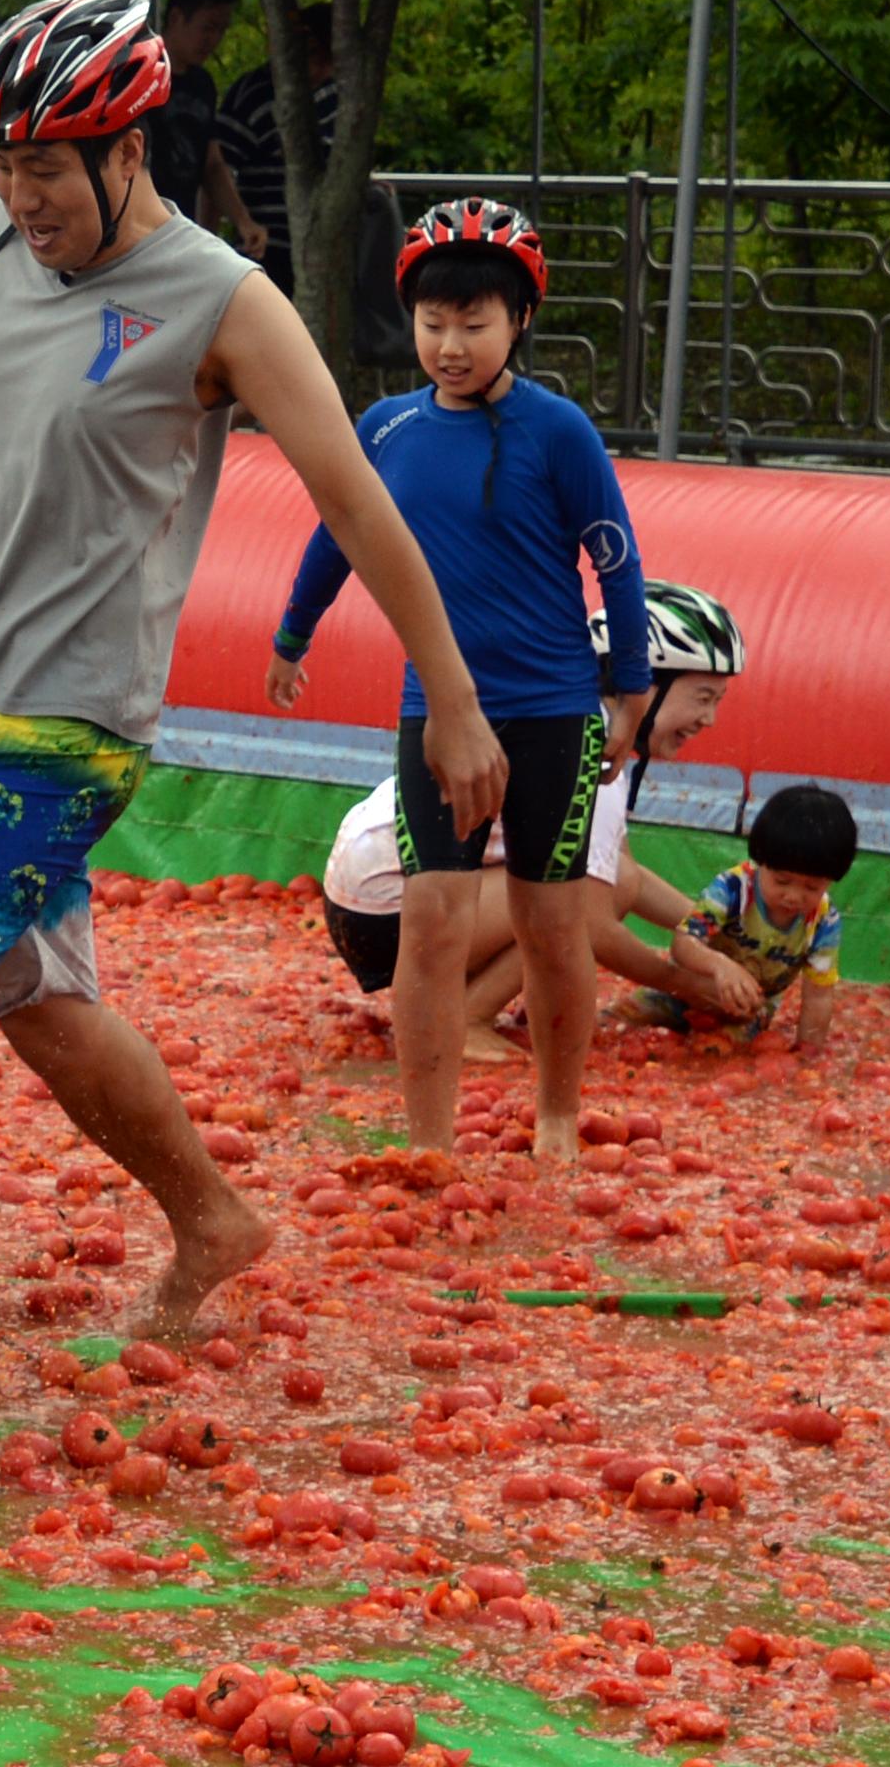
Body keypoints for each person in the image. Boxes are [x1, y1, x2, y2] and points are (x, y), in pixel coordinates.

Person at [0, 0, 506, 1476]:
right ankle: (212, 1219)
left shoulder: (223, 301)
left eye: (50, 167)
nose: (21, 194)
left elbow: (356, 501)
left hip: (73, 723)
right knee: (41, 1005)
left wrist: (450, 694)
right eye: (3, 162)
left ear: (132, 148)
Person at [268, 200, 650, 1161]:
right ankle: (428, 1143)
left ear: (519, 320)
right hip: (435, 715)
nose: (450, 344)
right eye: (433, 323)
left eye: (474, 323)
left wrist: (631, 686)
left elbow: (617, 558)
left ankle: (556, 1118)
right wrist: (292, 632)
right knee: (432, 920)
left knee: (552, 920)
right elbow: (338, 532)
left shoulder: (558, 431)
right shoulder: (388, 429)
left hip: (556, 710)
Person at [319, 581, 766, 1058]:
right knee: (572, 897)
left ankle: (462, 1001)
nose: (710, 720)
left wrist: (724, 934)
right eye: (702, 698)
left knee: (610, 877)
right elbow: (592, 917)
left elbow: (619, 870)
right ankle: (466, 1018)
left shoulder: (575, 717)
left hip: (371, 899)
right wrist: (685, 985)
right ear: (640, 681)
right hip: (389, 914)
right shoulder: (585, 751)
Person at [609, 784, 855, 1048]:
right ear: (761, 861)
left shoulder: (823, 920)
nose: (794, 896)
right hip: (684, 992)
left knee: (717, 1051)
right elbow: (683, 943)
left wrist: (808, 1056)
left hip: (747, 1009)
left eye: (812, 887)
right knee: (613, 1021)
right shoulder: (733, 889)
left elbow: (818, 995)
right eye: (782, 881)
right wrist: (719, 966)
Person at [213, 0, 339, 294]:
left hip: (326, 240)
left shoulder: (336, 95)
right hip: (268, 243)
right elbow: (217, 169)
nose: (319, 69)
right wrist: (229, 229)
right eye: (313, 56)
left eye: (328, 60)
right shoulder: (253, 94)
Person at [146, 0, 265, 250]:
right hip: (137, 224)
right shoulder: (139, 74)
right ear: (176, 18)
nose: (214, 39)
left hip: (178, 226)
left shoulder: (203, 84)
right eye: (208, 27)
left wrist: (243, 221)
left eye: (221, 30)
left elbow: (212, 165)